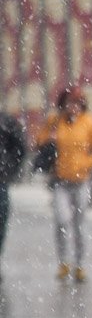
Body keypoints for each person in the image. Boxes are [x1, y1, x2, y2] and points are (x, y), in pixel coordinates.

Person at [34, 87, 92, 282]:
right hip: (61, 180)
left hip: (82, 180)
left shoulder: (90, 123)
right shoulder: (55, 122)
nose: (73, 108)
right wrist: (48, 139)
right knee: (62, 220)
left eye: (76, 103)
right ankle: (64, 262)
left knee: (79, 224)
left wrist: (86, 163)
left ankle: (80, 263)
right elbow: (39, 141)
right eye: (69, 104)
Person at [0, 110, 27, 271]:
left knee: (1, 221)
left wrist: (8, 169)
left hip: (1, 180)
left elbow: (19, 148)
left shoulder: (6, 122)